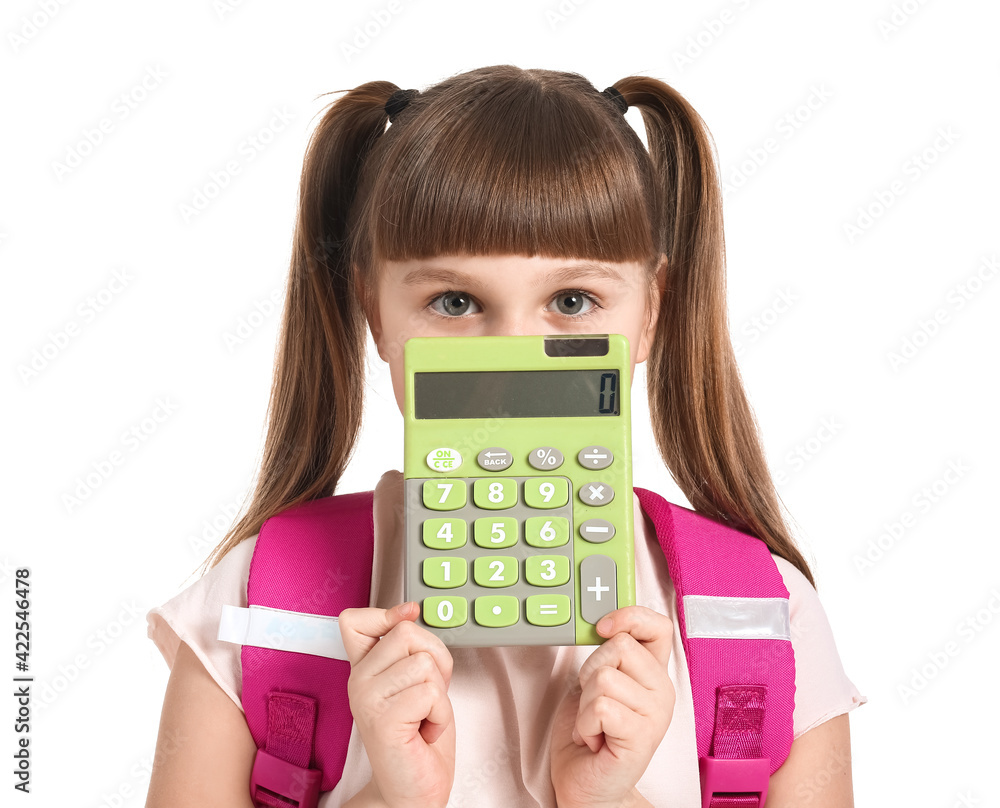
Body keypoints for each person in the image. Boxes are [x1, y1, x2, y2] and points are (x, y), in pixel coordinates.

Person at [144, 65, 866, 808]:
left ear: (651, 311)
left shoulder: (761, 620)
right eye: (455, 301)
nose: (511, 352)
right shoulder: (264, 606)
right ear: (374, 311)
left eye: (573, 300)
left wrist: (609, 802)